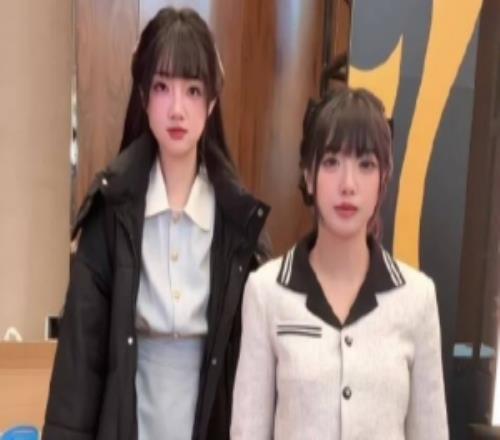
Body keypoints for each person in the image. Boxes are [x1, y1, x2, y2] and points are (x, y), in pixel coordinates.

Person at [43, 7, 269, 440]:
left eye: (193, 90)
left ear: (212, 102)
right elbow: (79, 366)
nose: (177, 109)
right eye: (163, 87)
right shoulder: (110, 211)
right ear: (144, 97)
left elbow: (256, 372)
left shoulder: (238, 223)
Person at [231, 86, 448, 439]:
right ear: (308, 176)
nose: (348, 185)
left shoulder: (417, 298)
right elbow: (247, 430)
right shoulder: (266, 291)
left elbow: (430, 431)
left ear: (383, 179)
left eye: (366, 165)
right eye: (332, 162)